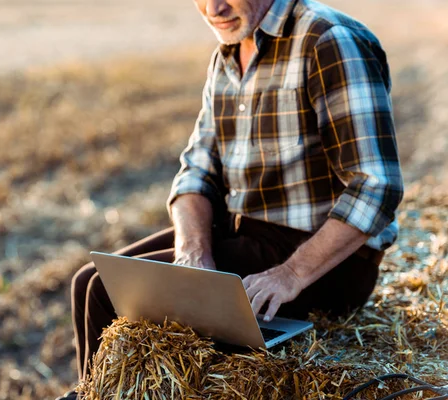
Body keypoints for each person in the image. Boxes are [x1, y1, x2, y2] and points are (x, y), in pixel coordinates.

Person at [57, 0, 403, 398]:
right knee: (87, 281)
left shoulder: (328, 40)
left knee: (106, 290)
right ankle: (94, 393)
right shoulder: (227, 52)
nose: (214, 7)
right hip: (245, 230)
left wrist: (289, 276)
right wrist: (192, 251)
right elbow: (196, 172)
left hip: (323, 259)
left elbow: (376, 186)